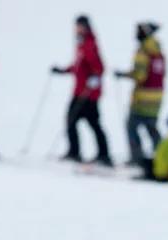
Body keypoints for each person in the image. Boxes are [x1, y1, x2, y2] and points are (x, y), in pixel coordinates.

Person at [52, 15, 110, 167]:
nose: (77, 29)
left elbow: (99, 67)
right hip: (80, 91)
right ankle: (83, 152)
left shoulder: (90, 44)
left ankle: (88, 153)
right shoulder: (81, 43)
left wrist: (94, 79)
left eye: (80, 26)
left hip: (87, 93)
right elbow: (79, 66)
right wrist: (63, 70)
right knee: (81, 121)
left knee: (82, 121)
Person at [114, 22, 164, 166]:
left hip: (142, 98)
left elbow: (140, 75)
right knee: (151, 128)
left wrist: (123, 75)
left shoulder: (143, 51)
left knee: (132, 126)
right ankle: (162, 157)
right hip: (156, 98)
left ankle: (137, 158)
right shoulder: (158, 51)